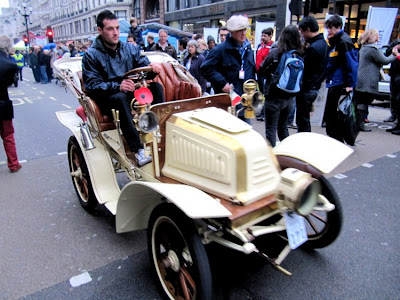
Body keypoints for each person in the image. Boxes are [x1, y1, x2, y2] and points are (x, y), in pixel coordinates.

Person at [82, 10, 163, 166]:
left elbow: (144, 68)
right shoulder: (91, 55)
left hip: (130, 92)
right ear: (100, 30)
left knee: (157, 88)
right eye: (110, 29)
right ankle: (137, 149)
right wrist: (118, 86)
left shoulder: (129, 49)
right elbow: (92, 85)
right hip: (108, 98)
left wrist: (153, 69)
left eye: (117, 28)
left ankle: (159, 133)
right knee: (119, 99)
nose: (116, 33)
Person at [201, 15, 256, 124]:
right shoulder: (220, 50)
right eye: (240, 31)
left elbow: (251, 72)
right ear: (232, 32)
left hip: (246, 102)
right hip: (228, 103)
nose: (243, 33)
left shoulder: (248, 49)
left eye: (244, 30)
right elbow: (205, 68)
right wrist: (222, 83)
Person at [259, 25, 303, 147]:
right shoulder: (299, 54)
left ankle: (273, 157)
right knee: (283, 127)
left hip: (273, 96)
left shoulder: (275, 53)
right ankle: (287, 153)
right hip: (289, 97)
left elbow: (262, 69)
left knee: (271, 129)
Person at [353, 29, 397, 132]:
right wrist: (394, 55)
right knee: (364, 101)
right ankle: (360, 124)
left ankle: (358, 122)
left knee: (360, 101)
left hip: (361, 78)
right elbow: (384, 61)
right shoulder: (373, 49)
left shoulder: (364, 48)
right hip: (368, 80)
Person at [324, 14, 358, 143]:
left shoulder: (343, 41)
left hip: (340, 82)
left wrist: (350, 84)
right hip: (337, 80)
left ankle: (337, 137)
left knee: (334, 112)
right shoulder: (339, 40)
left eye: (330, 28)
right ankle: (337, 137)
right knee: (335, 112)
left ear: (337, 27)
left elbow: (351, 63)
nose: (328, 30)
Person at [296, 16, 329, 132]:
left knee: (303, 119)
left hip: (308, 86)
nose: (302, 34)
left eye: (302, 31)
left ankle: (304, 142)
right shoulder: (323, 44)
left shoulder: (313, 48)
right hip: (315, 85)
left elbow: (304, 69)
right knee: (304, 118)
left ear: (308, 29)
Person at [0, 35, 22, 173]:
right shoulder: (10, 65)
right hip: (3, 104)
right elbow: (9, 82)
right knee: (8, 136)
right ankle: (13, 164)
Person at [255, 27, 274, 121]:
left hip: (266, 74)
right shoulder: (260, 45)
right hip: (259, 73)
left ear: (270, 36)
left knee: (266, 94)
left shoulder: (272, 47)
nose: (262, 37)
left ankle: (265, 113)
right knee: (261, 93)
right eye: (262, 35)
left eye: (265, 36)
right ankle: (261, 111)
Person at [384, 38, 400, 124]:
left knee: (398, 98)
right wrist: (394, 47)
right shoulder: (396, 41)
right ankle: (393, 115)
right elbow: (387, 52)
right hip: (394, 72)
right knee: (393, 96)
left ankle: (397, 117)